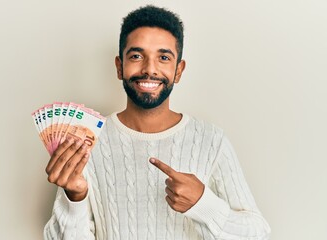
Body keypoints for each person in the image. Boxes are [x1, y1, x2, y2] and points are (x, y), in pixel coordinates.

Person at [43, 5, 271, 240]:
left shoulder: (212, 140)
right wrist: (75, 197)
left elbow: (258, 233)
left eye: (163, 57)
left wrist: (203, 205)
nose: (149, 69)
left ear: (178, 71)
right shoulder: (88, 140)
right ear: (119, 67)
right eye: (136, 56)